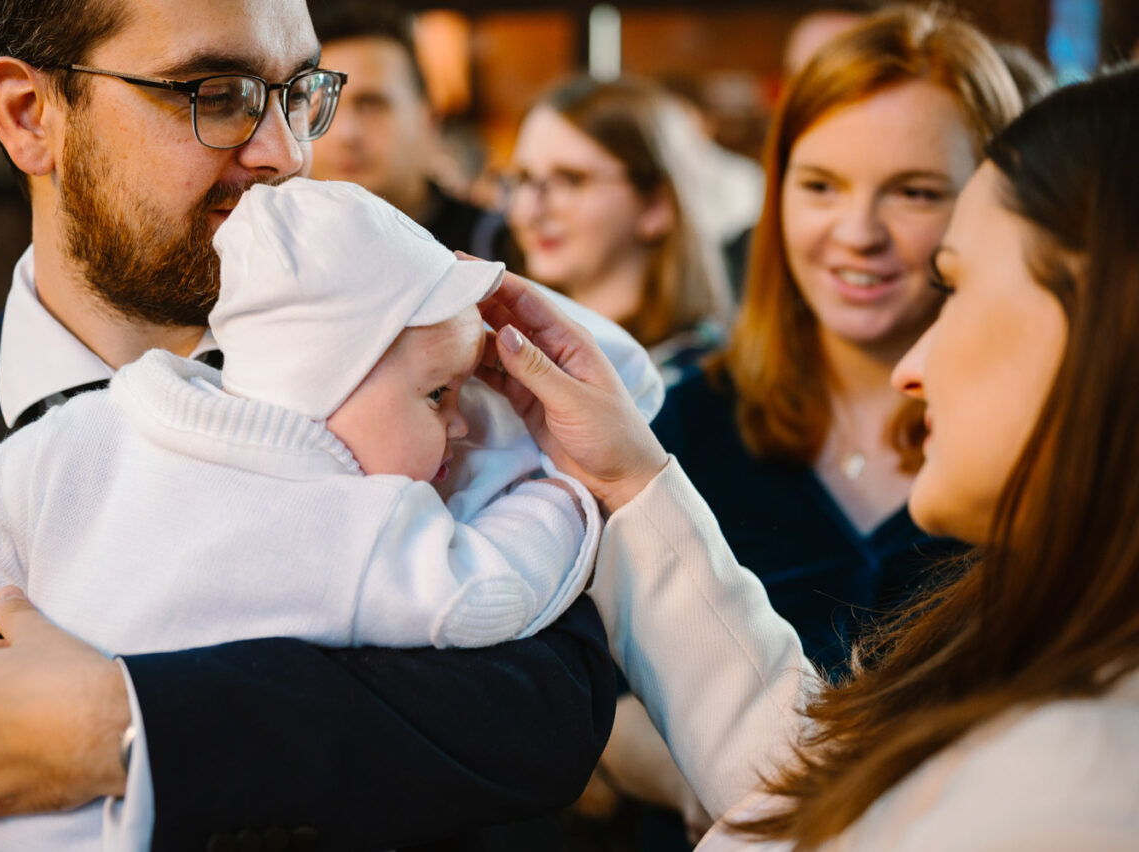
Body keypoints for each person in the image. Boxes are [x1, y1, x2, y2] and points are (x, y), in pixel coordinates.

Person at [0, 1, 658, 849]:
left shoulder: (423, 376)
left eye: (298, 91)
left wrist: (139, 729)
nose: (288, 154)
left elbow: (552, 713)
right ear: (30, 116)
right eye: (217, 90)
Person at [480, 62, 1139, 848]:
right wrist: (629, 477)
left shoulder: (1084, 786)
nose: (913, 371)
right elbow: (817, 790)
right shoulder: (1058, 642)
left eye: (959, 287)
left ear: (1103, 324)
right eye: (819, 184)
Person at [599, 7, 1022, 847]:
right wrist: (687, 770)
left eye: (914, 192)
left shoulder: (1032, 451)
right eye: (820, 185)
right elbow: (587, 693)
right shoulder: (680, 422)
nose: (856, 234)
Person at [506, 74, 733, 386]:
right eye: (523, 178)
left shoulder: (702, 381)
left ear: (656, 204)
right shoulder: (509, 353)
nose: (528, 211)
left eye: (571, 179)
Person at [308, 0, 521, 266]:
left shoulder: (499, 251)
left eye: (372, 106)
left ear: (429, 122)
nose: (346, 133)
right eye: (323, 105)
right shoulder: (281, 251)